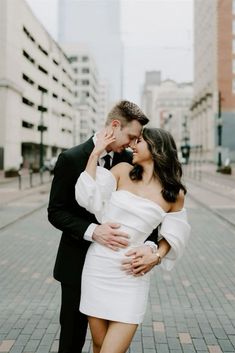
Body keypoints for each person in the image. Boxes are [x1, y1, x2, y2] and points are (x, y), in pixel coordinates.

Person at [47, 100, 159, 353]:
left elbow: (148, 211)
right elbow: (56, 211)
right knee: (72, 338)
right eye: (131, 136)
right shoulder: (72, 158)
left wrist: (152, 247)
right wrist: (93, 231)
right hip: (76, 262)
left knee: (110, 343)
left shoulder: (132, 161)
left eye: (137, 139)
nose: (132, 143)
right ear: (115, 125)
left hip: (118, 270)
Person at [75, 127, 191, 353]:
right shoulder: (121, 170)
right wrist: (94, 154)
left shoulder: (174, 193)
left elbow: (174, 234)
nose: (132, 145)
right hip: (98, 267)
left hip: (131, 274)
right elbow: (88, 198)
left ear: (156, 148)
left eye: (139, 141)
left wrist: (156, 256)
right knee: (98, 345)